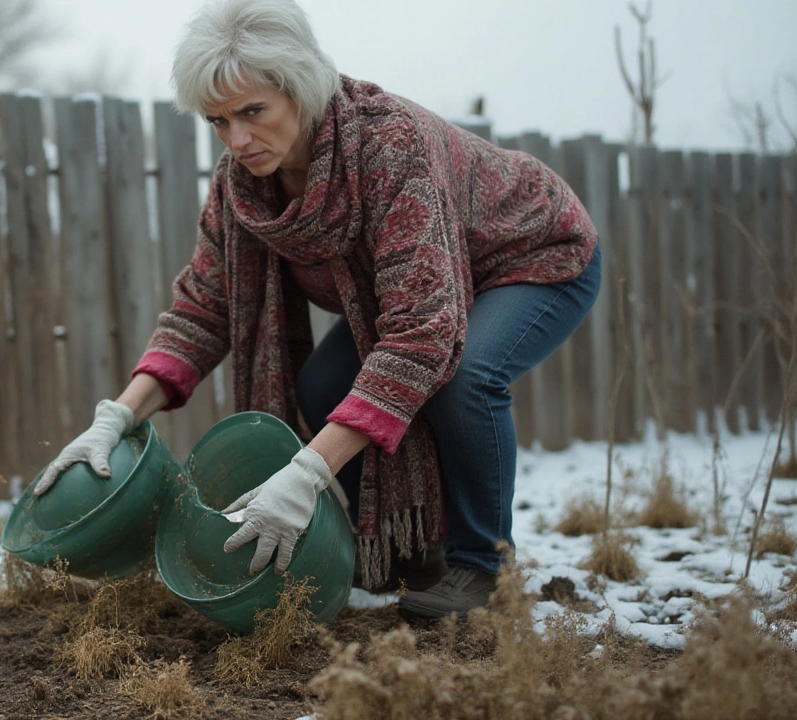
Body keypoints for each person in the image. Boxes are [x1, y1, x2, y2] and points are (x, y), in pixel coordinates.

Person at [34, 0, 600, 618]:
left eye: (253, 111)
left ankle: (483, 569)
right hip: (423, 288)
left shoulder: (389, 146)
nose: (238, 139)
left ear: (300, 89)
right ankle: (404, 553)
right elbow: (204, 307)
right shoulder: (242, 187)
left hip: (532, 255)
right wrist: (117, 416)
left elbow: (423, 335)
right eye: (218, 120)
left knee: (463, 378)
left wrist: (305, 474)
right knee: (325, 383)